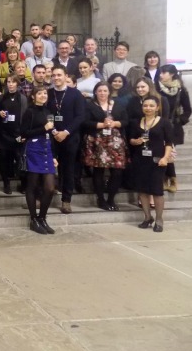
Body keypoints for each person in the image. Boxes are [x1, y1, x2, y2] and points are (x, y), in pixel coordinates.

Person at [129, 96, 174, 232]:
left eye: (151, 106)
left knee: (156, 191)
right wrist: (135, 141)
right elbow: (130, 139)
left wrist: (166, 158)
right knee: (142, 190)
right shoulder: (136, 122)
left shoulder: (164, 123)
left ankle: (159, 219)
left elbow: (169, 143)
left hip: (157, 160)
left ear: (157, 107)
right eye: (145, 106)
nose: (148, 108)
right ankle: (147, 217)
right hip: (140, 160)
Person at [82, 81, 128, 211]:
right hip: (97, 141)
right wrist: (101, 125)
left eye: (105, 91)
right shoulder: (90, 105)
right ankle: (101, 199)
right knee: (98, 171)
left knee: (117, 172)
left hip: (116, 142)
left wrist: (115, 123)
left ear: (109, 92)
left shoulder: (118, 104)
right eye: (100, 91)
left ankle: (111, 199)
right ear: (95, 92)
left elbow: (126, 121)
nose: (102, 93)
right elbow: (85, 122)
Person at [47, 66, 86, 214]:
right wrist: (54, 131)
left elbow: (80, 116)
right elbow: (46, 114)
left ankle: (66, 200)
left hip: (70, 138)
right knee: (48, 168)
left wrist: (66, 132)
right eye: (54, 75)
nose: (56, 78)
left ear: (65, 76)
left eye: (59, 75)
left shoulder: (75, 94)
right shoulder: (48, 94)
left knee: (68, 169)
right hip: (52, 137)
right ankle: (44, 196)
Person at [20, 87, 58, 234]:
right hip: (33, 150)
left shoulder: (49, 112)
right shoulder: (30, 111)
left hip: (47, 149)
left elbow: (52, 133)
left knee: (50, 187)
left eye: (45, 93)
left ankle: (42, 218)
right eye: (40, 93)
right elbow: (24, 133)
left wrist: (54, 156)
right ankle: (33, 219)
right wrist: (43, 128)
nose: (43, 96)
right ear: (34, 96)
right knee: (32, 186)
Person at [157, 65, 191, 193]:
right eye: (160, 72)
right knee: (163, 151)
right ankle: (167, 179)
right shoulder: (157, 88)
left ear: (171, 74)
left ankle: (172, 179)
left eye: (163, 72)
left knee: (168, 151)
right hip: (159, 124)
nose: (161, 75)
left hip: (173, 127)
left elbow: (187, 109)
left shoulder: (180, 90)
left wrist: (180, 120)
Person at [0, 75, 28, 194]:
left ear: (17, 84)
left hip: (18, 134)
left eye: (13, 82)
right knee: (3, 160)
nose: (10, 84)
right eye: (8, 82)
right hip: (4, 134)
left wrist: (23, 134)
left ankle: (24, 184)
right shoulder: (1, 98)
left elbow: (26, 116)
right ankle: (6, 183)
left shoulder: (23, 98)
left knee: (20, 159)